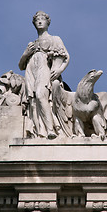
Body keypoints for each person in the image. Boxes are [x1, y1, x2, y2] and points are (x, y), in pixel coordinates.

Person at [19, 11, 70, 139]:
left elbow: (66, 57)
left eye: (42, 19)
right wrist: (25, 54)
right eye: (37, 20)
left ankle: (50, 129)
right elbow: (21, 66)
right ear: (34, 24)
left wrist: (59, 70)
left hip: (44, 67)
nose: (40, 21)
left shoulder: (54, 39)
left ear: (48, 22)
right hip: (31, 70)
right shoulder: (32, 43)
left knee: (41, 95)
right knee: (33, 101)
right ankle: (39, 131)